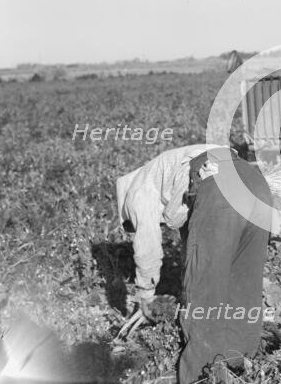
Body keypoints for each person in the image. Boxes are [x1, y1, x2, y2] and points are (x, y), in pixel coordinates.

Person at [177, 146, 272, 383]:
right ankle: (241, 362)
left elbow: (180, 227)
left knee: (204, 286)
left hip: (219, 187)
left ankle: (200, 375)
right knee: (245, 277)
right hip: (258, 185)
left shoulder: (145, 187)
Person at [116, 144, 220, 311]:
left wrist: (146, 294)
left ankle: (206, 307)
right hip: (225, 161)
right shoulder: (158, 177)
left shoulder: (138, 195)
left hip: (206, 170)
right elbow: (187, 228)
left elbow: (148, 247)